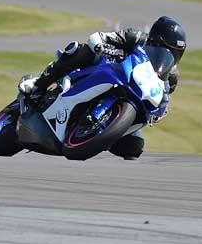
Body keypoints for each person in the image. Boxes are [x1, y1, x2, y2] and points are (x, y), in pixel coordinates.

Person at [19, 16, 187, 160]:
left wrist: (159, 112)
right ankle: (38, 85)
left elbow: (165, 98)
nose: (169, 55)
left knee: (134, 148)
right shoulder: (135, 37)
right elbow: (103, 37)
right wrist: (100, 43)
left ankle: (96, 135)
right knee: (79, 50)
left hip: (132, 98)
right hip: (106, 69)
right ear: (155, 39)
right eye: (167, 48)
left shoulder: (171, 75)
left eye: (175, 52)